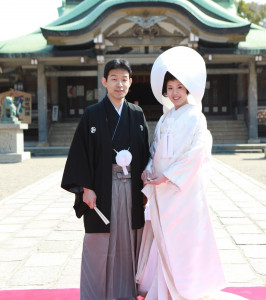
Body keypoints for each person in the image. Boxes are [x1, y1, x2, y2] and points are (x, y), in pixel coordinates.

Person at [136, 47, 247, 300]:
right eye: (170, 88)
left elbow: (198, 150)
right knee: (164, 242)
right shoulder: (165, 119)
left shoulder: (196, 117)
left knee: (184, 243)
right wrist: (149, 171)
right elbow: (155, 149)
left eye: (179, 87)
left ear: (188, 89)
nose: (174, 93)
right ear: (165, 91)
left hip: (183, 192)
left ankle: (188, 289)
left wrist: (170, 175)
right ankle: (163, 290)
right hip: (162, 192)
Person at [61, 59, 150, 300]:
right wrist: (85, 188)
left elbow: (144, 154)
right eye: (114, 79)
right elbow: (81, 153)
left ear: (130, 83)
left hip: (131, 188)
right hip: (101, 187)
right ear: (104, 82)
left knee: (127, 242)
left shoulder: (137, 114)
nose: (119, 84)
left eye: (124, 79)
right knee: (99, 243)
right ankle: (95, 295)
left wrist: (145, 189)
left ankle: (124, 293)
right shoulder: (92, 115)